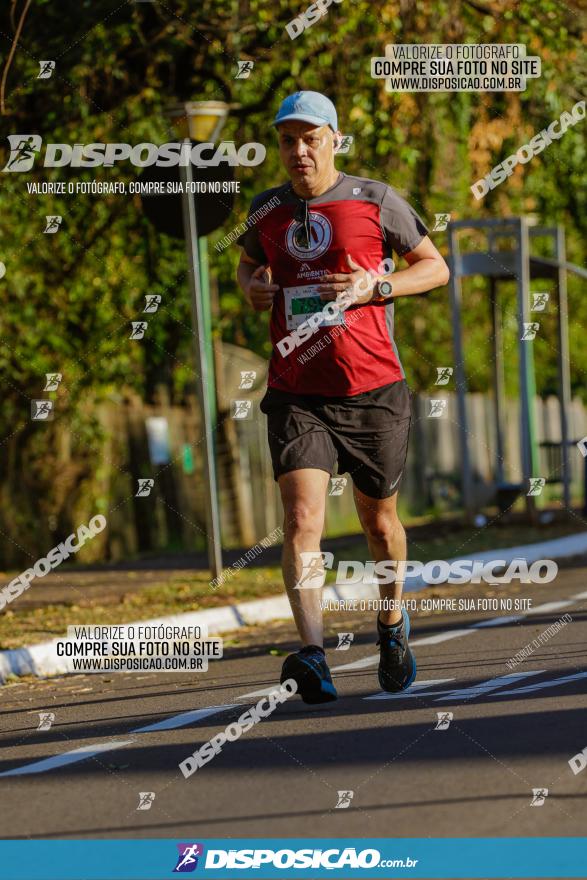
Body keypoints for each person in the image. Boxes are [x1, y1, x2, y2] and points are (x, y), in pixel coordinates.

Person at [236, 90, 449, 704]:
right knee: (302, 520)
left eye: (310, 138)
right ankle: (313, 654)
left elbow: (434, 267)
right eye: (286, 140)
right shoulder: (266, 209)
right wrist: (251, 286)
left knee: (379, 523)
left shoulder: (375, 200)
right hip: (296, 391)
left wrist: (377, 285)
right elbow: (249, 269)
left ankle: (391, 622)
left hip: (373, 388)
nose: (298, 151)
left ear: (334, 139)